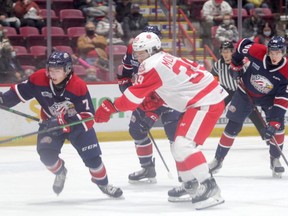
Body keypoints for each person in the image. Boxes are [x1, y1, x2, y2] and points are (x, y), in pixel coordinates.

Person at [95, 32, 228, 209]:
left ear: (150, 51)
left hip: (205, 101)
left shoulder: (151, 65)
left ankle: (209, 186)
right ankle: (191, 185)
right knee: (177, 146)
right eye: (136, 53)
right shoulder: (162, 58)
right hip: (199, 100)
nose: (138, 57)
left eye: (141, 53)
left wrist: (111, 108)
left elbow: (132, 99)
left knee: (184, 145)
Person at [0, 51, 123, 198]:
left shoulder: (78, 86)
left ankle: (104, 184)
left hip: (77, 127)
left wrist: (64, 123)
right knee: (47, 157)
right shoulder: (39, 78)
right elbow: (17, 92)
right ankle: (60, 172)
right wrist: (3, 100)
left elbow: (88, 117)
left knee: (94, 161)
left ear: (68, 70)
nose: (53, 74)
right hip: (50, 124)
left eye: (57, 70)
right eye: (51, 69)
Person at [117, 25, 188, 202]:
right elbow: (126, 74)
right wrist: (126, 87)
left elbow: (166, 89)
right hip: (147, 97)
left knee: (175, 136)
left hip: (168, 98)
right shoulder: (133, 50)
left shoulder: (162, 59)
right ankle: (147, 168)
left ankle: (186, 178)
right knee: (136, 130)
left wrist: (150, 111)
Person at [208, 36, 288, 178]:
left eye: (278, 52)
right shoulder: (258, 51)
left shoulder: (286, 72)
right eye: (272, 52)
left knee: (279, 127)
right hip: (245, 92)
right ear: (268, 50)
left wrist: (274, 122)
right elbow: (241, 44)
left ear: (284, 52)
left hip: (269, 99)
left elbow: (282, 99)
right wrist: (235, 64)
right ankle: (218, 159)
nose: (274, 56)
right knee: (233, 126)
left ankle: (275, 159)